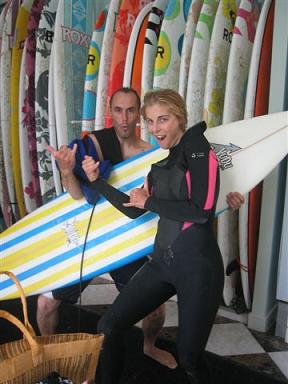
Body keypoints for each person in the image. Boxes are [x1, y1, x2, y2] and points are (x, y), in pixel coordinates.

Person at [38, 87, 243, 375]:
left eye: (163, 119)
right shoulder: (157, 167)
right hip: (162, 265)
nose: (155, 128)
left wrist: (150, 201)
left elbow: (201, 211)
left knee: (189, 358)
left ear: (180, 117)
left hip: (198, 269)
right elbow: (134, 209)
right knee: (108, 326)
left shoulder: (199, 149)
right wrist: (97, 181)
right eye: (150, 121)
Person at [37, 87, 178, 369]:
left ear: (139, 114)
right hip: (88, 237)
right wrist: (67, 170)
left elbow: (160, 204)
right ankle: (46, 353)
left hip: (126, 241)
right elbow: (78, 196)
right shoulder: (95, 145)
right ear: (109, 112)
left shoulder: (152, 155)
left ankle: (148, 346)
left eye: (130, 111)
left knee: (155, 308)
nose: (124, 119)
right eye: (118, 110)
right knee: (45, 303)